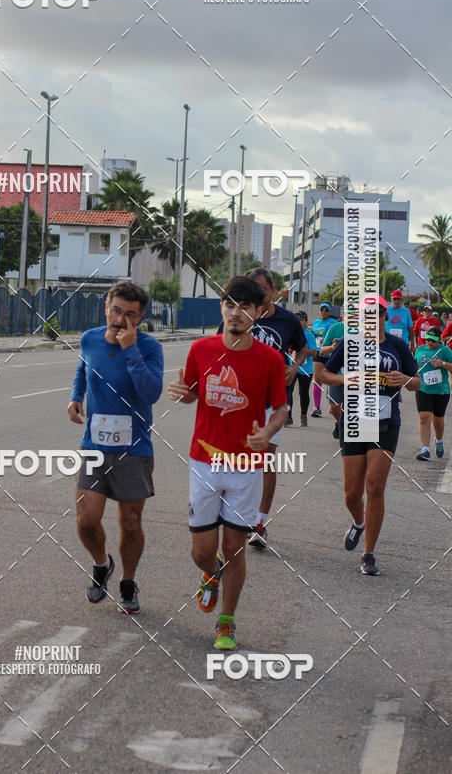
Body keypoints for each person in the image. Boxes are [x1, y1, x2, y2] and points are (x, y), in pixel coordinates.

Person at [168, 276, 287, 649]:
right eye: (230, 305)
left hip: (246, 467)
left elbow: (281, 408)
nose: (236, 313)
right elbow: (191, 394)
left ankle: (226, 622)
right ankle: (210, 574)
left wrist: (267, 434)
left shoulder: (269, 359)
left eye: (245, 307)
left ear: (258, 313)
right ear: (222, 308)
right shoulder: (201, 349)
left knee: (235, 546)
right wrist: (183, 394)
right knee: (202, 552)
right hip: (204, 461)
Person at [68, 281, 164, 614]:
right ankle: (101, 564)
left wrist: (131, 349)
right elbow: (83, 366)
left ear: (140, 319)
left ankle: (128, 580)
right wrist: (75, 396)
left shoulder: (150, 348)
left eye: (130, 315)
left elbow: (151, 392)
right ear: (105, 307)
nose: (120, 319)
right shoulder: (90, 338)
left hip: (134, 447)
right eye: (115, 310)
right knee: (86, 519)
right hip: (94, 444)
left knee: (131, 522)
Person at [322, 295, 420, 576]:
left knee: (375, 485)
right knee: (352, 494)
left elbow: (417, 382)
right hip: (354, 420)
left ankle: (369, 552)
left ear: (384, 316)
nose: (372, 317)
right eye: (366, 312)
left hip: (386, 421)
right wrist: (347, 379)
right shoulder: (348, 344)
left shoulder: (397, 345)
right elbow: (325, 375)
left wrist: (404, 380)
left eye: (377, 312)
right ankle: (358, 522)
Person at [217, 267, 307, 549]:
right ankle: (232, 515)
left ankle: (259, 522)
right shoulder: (237, 315)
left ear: (273, 291)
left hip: (272, 402)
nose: (255, 294)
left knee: (266, 460)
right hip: (238, 402)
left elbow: (303, 348)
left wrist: (294, 366)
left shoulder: (288, 320)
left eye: (261, 290)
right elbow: (220, 347)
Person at [414, 326, 452, 461]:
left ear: (439, 340)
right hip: (423, 389)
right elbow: (413, 366)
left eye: (433, 340)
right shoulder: (420, 349)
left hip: (441, 391)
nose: (429, 342)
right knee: (424, 417)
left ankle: (439, 440)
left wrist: (442, 363)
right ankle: (425, 449)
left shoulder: (445, 350)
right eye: (428, 339)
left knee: (438, 420)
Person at [318, 315, 346, 439]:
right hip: (336, 373)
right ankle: (339, 422)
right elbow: (322, 350)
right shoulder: (335, 328)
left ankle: (346, 427)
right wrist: (332, 347)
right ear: (344, 314)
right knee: (334, 406)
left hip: (357, 375)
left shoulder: (364, 329)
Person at [310, 302, 338, 417]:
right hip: (319, 352)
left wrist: (329, 342)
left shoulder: (334, 323)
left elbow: (338, 337)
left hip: (330, 353)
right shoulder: (316, 322)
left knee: (330, 380)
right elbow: (315, 336)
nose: (324, 312)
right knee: (317, 379)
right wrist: (313, 335)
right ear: (319, 310)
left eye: (327, 310)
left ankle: (334, 405)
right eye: (322, 309)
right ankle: (316, 407)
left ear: (330, 312)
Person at [292, 311, 317, 426]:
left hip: (306, 369)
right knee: (288, 391)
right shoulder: (290, 332)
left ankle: (303, 415)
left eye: (300, 319)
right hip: (291, 366)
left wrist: (305, 351)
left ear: (306, 322)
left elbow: (314, 352)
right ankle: (288, 416)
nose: (297, 321)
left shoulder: (309, 334)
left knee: (303, 393)